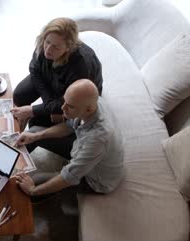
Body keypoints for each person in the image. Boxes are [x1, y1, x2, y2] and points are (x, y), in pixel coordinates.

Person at [13, 79, 124, 207]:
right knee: (34, 131)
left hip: (96, 179)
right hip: (83, 147)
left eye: (69, 106)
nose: (62, 107)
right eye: (64, 101)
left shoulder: (98, 139)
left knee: (32, 183)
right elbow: (69, 126)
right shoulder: (91, 103)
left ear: (88, 110)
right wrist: (36, 136)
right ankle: (9, 162)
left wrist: (33, 190)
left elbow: (68, 177)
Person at [11, 17, 103, 159]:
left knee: (36, 122)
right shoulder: (46, 43)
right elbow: (34, 69)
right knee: (19, 95)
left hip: (74, 94)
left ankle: (17, 153)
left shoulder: (80, 65)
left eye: (56, 47)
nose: (48, 49)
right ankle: (20, 123)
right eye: (47, 42)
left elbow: (72, 99)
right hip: (52, 82)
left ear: (68, 47)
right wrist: (49, 104)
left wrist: (34, 110)